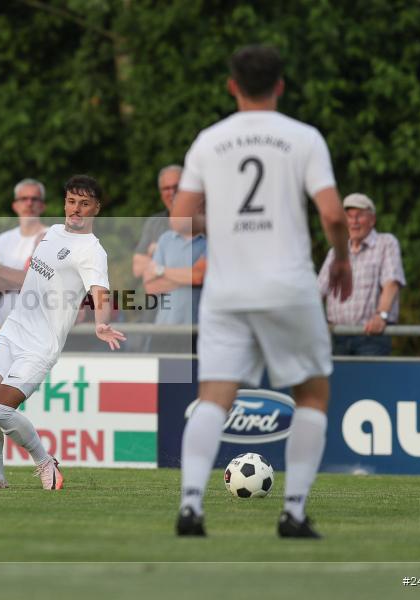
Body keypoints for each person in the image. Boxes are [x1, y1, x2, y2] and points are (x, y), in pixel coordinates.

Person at [171, 45, 351, 539]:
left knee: (213, 398)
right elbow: (334, 215)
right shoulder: (304, 138)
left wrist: (222, 223)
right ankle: (293, 513)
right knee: (312, 395)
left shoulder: (210, 140)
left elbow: (180, 215)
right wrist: (343, 260)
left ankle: (190, 507)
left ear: (231, 85)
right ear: (281, 85)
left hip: (227, 289)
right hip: (288, 285)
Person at [0, 175, 125, 490]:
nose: (76, 209)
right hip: (13, 331)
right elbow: (28, 277)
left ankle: (45, 462)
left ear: (96, 208)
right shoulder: (52, 233)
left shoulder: (92, 250)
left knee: (1, 409)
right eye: (71, 201)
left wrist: (100, 322)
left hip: (42, 344)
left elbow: (100, 293)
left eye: (84, 204)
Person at [317, 193, 405, 356]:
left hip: (371, 337)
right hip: (337, 335)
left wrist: (381, 316)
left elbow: (391, 283)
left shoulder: (385, 243)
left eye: (359, 216)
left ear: (372, 219)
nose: (353, 222)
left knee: (371, 381)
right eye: (349, 217)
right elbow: (318, 290)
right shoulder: (336, 251)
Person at [0, 178, 47, 333]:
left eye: (34, 199)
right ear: (15, 205)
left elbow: (40, 282)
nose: (29, 203)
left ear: (42, 205)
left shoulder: (51, 236)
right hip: (2, 328)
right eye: (24, 199)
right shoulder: (4, 239)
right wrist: (21, 279)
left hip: (38, 329)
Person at [142, 217, 207, 352]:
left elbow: (198, 277)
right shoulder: (165, 239)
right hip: (164, 330)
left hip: (197, 332)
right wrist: (188, 277)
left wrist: (161, 270)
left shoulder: (209, 243)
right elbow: (151, 287)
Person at [133, 165, 181, 279]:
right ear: (161, 193)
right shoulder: (154, 222)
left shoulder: (201, 221)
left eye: (176, 187)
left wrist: (159, 250)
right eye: (166, 188)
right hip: (160, 294)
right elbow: (137, 268)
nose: (172, 193)